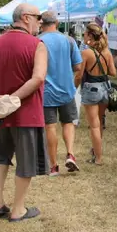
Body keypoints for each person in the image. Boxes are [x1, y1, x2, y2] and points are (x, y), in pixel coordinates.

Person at [0, 3, 48, 222]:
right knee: (26, 161)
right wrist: (13, 98)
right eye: (38, 17)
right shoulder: (37, 45)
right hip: (27, 114)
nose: (40, 21)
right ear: (26, 18)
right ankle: (18, 209)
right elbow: (38, 78)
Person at [39, 12, 83, 175]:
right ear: (57, 22)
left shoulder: (38, 41)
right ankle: (70, 154)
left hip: (46, 92)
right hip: (67, 89)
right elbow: (78, 67)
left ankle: (53, 166)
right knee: (68, 122)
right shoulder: (69, 40)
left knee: (50, 127)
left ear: (41, 23)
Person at [75, 23, 116, 165]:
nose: (83, 36)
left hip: (91, 88)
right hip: (105, 87)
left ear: (90, 36)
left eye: (85, 34)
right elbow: (113, 72)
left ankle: (98, 158)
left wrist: (74, 88)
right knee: (99, 121)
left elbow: (79, 75)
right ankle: (95, 150)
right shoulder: (107, 52)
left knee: (94, 125)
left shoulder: (86, 53)